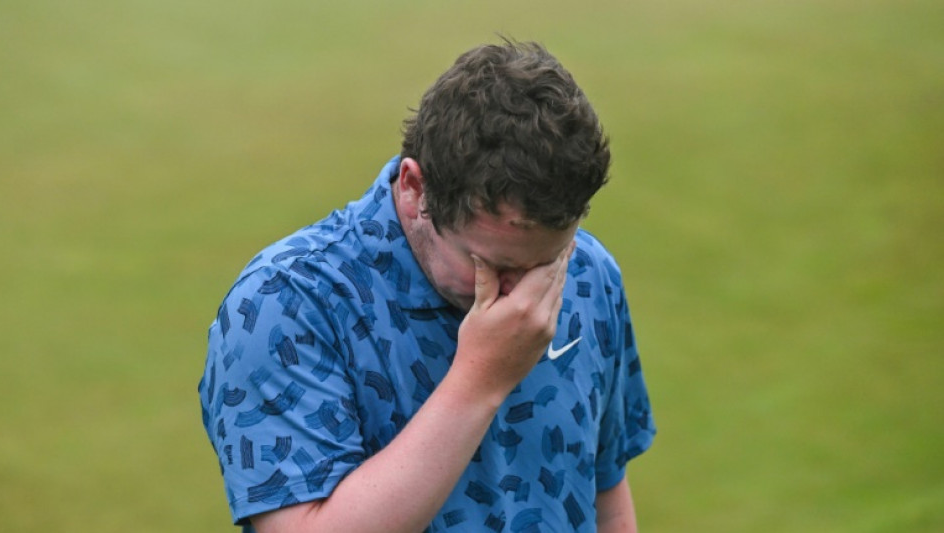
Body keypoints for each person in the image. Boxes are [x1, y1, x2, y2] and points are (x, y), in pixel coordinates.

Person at [199, 39, 655, 532]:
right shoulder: (284, 306)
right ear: (416, 190)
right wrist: (481, 379)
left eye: (546, 262)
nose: (521, 300)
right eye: (490, 263)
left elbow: (603, 490)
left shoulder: (589, 273)